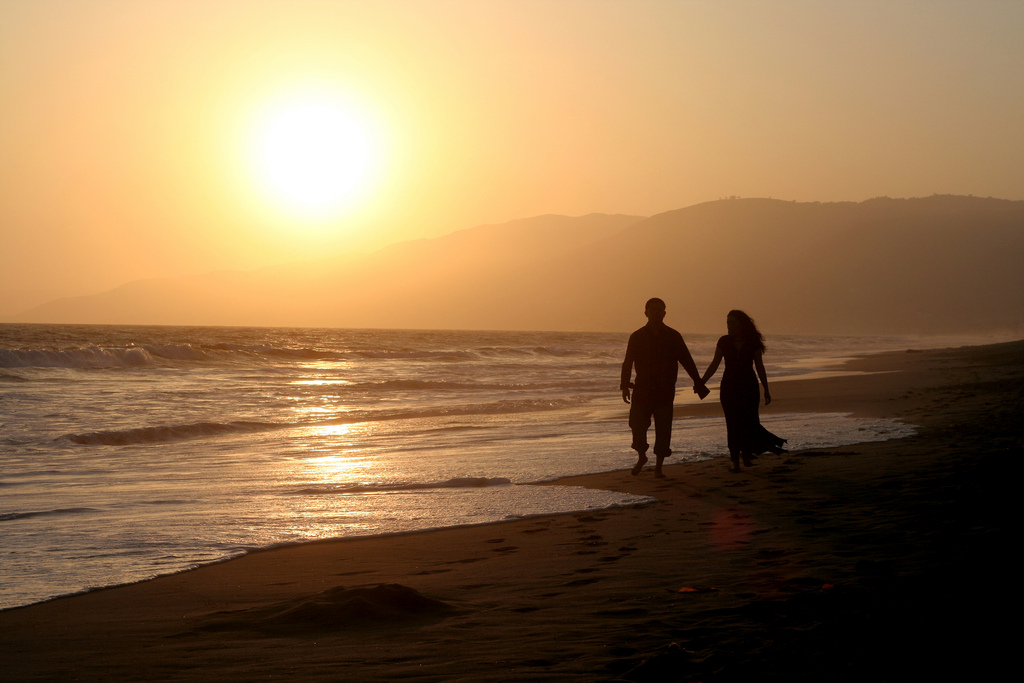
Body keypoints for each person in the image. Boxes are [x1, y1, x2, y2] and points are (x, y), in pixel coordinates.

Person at [621, 298, 708, 478]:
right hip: (642, 390)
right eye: (652, 310)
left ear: (664, 313)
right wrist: (624, 385)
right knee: (637, 426)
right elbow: (628, 362)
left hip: (665, 390)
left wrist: (698, 381)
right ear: (645, 312)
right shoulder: (636, 336)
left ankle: (659, 467)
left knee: (663, 429)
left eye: (659, 310)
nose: (656, 313)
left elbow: (687, 360)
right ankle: (642, 456)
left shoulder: (673, 336)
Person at [700, 310, 787, 472]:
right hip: (729, 388)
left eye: (732, 322)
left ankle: (746, 455)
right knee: (732, 424)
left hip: (749, 387)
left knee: (750, 422)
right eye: (727, 323)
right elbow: (714, 364)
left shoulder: (752, 341)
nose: (729, 326)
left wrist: (766, 389)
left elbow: (760, 367)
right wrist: (701, 382)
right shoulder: (724, 341)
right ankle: (735, 460)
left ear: (741, 323)